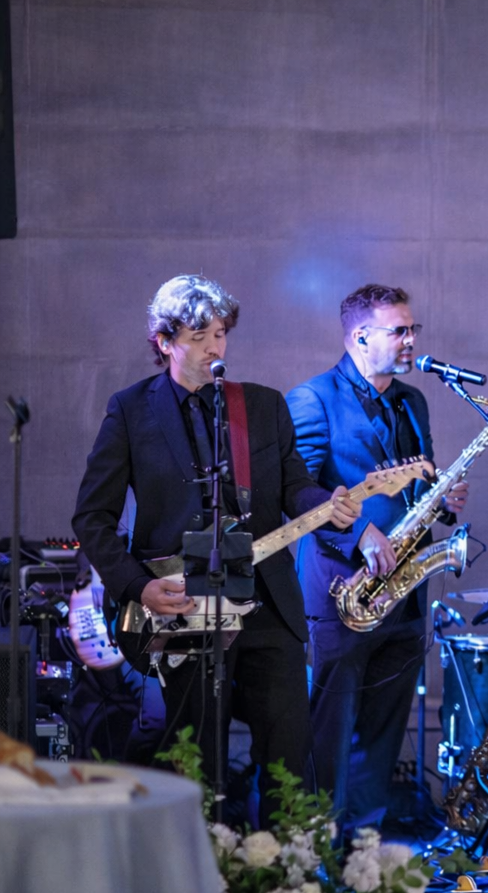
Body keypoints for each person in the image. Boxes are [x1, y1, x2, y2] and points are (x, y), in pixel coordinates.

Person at [72, 274, 361, 825]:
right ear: (165, 341)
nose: (215, 347)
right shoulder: (130, 410)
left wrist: (327, 503)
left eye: (221, 334)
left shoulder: (262, 405)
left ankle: (286, 865)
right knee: (195, 759)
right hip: (183, 605)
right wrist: (138, 586)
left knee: (288, 755)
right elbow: (92, 517)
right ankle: (199, 866)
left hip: (267, 601)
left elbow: (295, 486)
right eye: (199, 336)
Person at [287, 284, 467, 833]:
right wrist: (359, 531)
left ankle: (362, 856)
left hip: (404, 595)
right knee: (327, 737)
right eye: (399, 331)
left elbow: (416, 483)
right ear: (361, 336)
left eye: (413, 329)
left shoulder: (413, 401)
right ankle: (312, 854)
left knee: (382, 740)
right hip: (341, 593)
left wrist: (441, 500)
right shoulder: (313, 399)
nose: (411, 340)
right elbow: (298, 492)